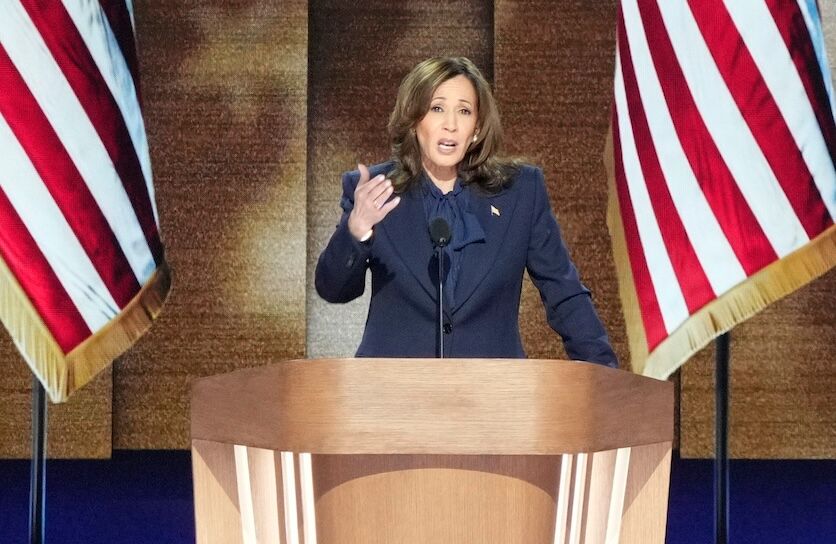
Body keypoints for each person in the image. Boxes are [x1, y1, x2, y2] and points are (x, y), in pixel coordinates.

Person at [315, 56, 617, 367]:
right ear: (414, 120)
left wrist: (606, 380)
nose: (451, 124)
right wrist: (357, 229)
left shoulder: (520, 192)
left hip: (491, 399)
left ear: (476, 128)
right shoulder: (374, 190)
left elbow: (564, 293)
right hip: (394, 400)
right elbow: (334, 289)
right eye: (437, 108)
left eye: (464, 111)